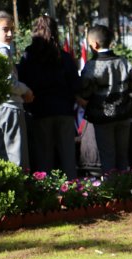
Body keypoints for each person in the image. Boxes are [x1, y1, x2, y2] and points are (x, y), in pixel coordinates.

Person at [18, 15, 80, 180]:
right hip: (64, 111)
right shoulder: (64, 57)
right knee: (68, 157)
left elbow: (23, 82)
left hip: (40, 112)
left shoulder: (29, 57)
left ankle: (46, 193)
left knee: (44, 157)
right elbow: (75, 84)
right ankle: (74, 193)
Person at [78, 24, 132, 172]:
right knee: (123, 155)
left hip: (102, 116)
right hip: (124, 114)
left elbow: (85, 92)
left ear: (94, 44)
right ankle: (127, 190)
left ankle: (112, 190)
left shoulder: (92, 65)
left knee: (107, 155)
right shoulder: (124, 62)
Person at [0, 11, 33, 168]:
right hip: (9, 107)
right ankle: (18, 191)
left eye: (12, 29)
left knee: (0, 158)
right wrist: (26, 90)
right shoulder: (0, 50)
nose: (10, 33)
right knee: (16, 157)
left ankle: (5, 191)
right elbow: (9, 82)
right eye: (5, 29)